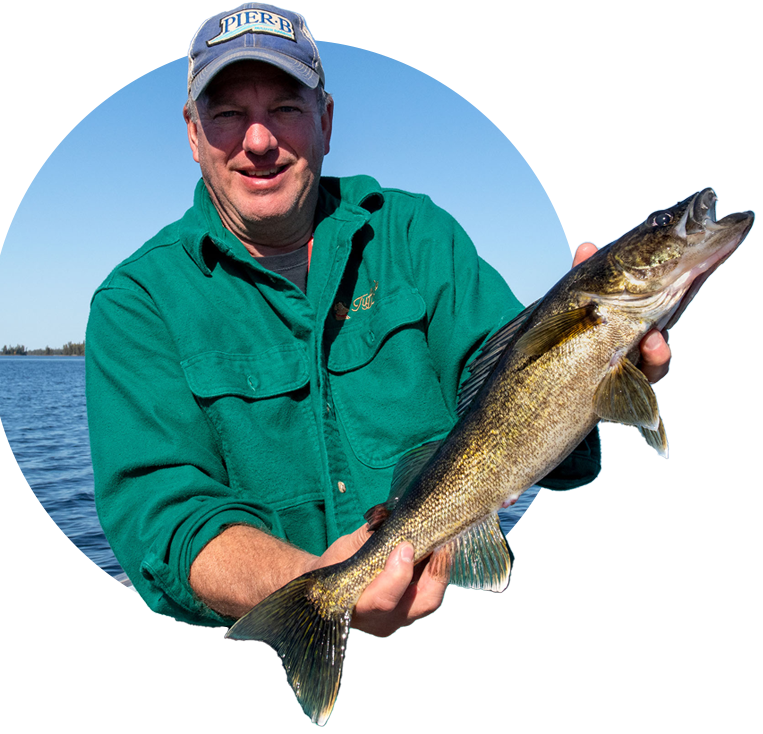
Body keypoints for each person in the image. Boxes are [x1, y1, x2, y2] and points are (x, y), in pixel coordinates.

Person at [85, 4, 670, 637]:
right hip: (250, 658)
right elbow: (162, 516)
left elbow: (509, 401)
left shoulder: (419, 238)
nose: (258, 140)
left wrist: (595, 372)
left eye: (285, 107)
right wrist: (313, 589)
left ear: (326, 121)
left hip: (458, 639)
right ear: (193, 133)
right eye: (227, 114)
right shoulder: (135, 303)